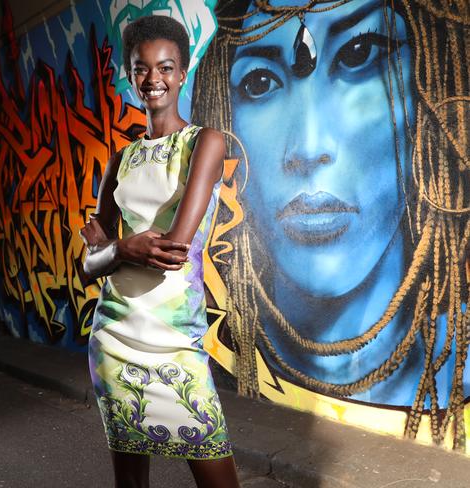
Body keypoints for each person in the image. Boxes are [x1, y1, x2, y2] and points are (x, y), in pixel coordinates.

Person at [192, 0, 469, 448]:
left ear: (427, 94)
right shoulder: (201, 359)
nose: (308, 147)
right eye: (260, 82)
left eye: (359, 53)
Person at [80, 15, 240, 488]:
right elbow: (88, 266)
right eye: (142, 68)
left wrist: (115, 248)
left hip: (175, 344)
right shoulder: (120, 161)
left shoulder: (205, 144)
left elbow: (174, 250)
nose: (154, 79)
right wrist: (122, 248)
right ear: (130, 75)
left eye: (166, 67)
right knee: (131, 484)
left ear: (183, 71)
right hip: (113, 338)